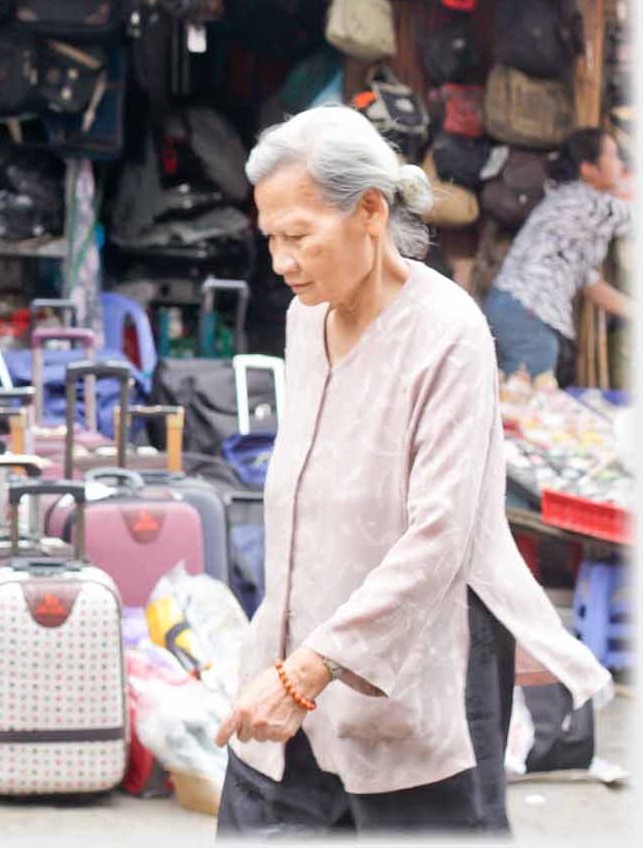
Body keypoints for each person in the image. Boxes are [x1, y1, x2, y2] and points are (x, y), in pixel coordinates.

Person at [215, 106, 611, 835]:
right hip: (294, 653)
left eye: (299, 237)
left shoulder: (448, 334)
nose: (281, 262)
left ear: (369, 211)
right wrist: (287, 663)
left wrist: (308, 672)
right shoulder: (308, 317)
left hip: (417, 662)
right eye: (271, 238)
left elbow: (440, 537)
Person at [484, 128, 631, 379]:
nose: (622, 164)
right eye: (614, 156)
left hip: (516, 309)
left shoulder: (571, 203)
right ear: (589, 169)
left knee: (522, 401)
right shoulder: (587, 202)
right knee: (529, 404)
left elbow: (586, 279)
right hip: (528, 312)